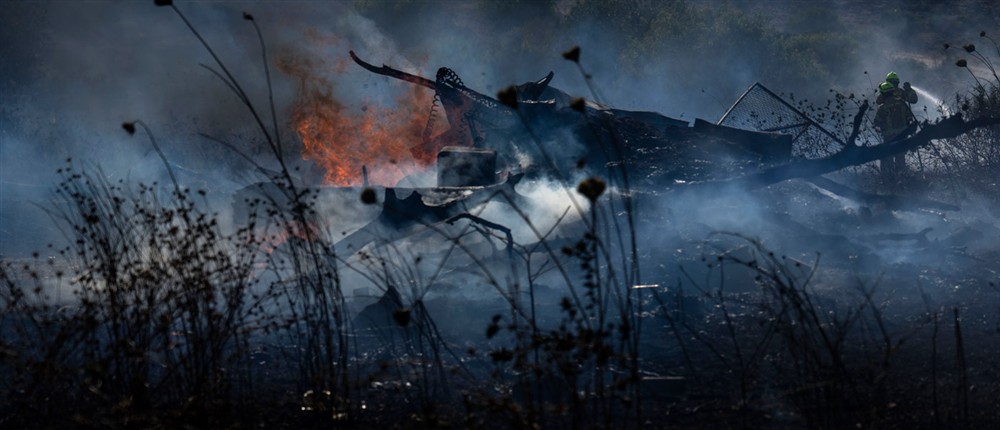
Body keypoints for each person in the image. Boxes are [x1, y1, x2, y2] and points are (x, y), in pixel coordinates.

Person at [873, 71, 918, 180]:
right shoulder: (900, 102)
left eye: (896, 83)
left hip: (890, 134)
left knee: (890, 155)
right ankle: (900, 177)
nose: (895, 85)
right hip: (902, 132)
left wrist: (909, 90)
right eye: (894, 83)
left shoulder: (889, 103)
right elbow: (878, 101)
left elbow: (913, 100)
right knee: (899, 154)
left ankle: (890, 178)